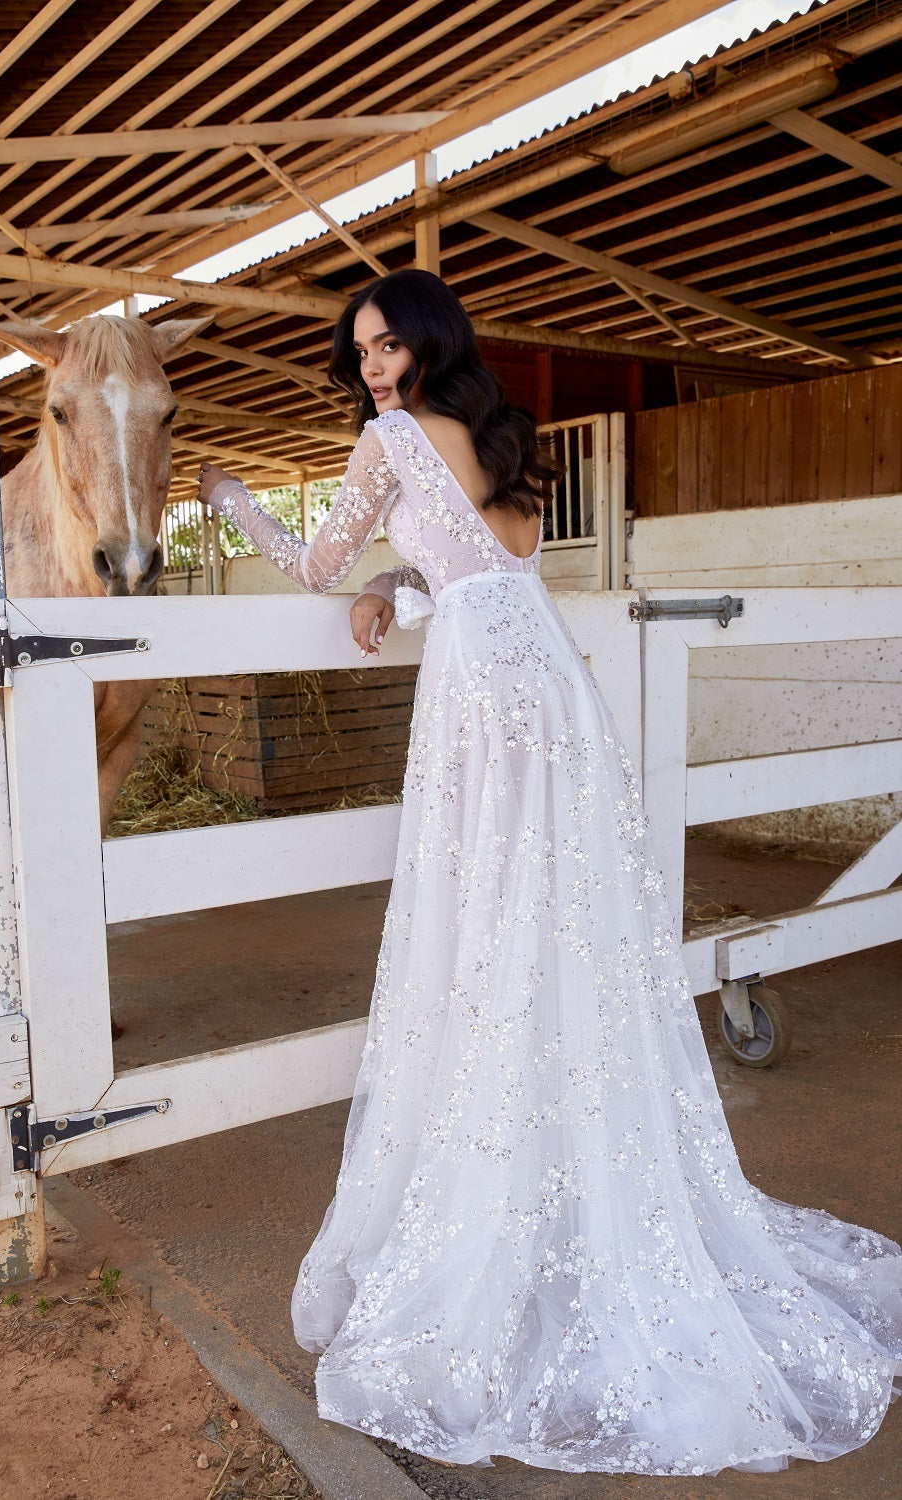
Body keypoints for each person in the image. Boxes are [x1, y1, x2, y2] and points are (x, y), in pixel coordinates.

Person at [197, 268, 901, 1477]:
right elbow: (478, 567)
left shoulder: (391, 439)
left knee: (487, 928)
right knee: (553, 923)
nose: (371, 367)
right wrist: (398, 584)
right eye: (359, 352)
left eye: (385, 344)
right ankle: (566, 1165)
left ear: (427, 341)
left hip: (482, 698)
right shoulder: (497, 438)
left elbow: (312, 568)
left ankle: (511, 1182)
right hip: (550, 687)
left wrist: (229, 501)